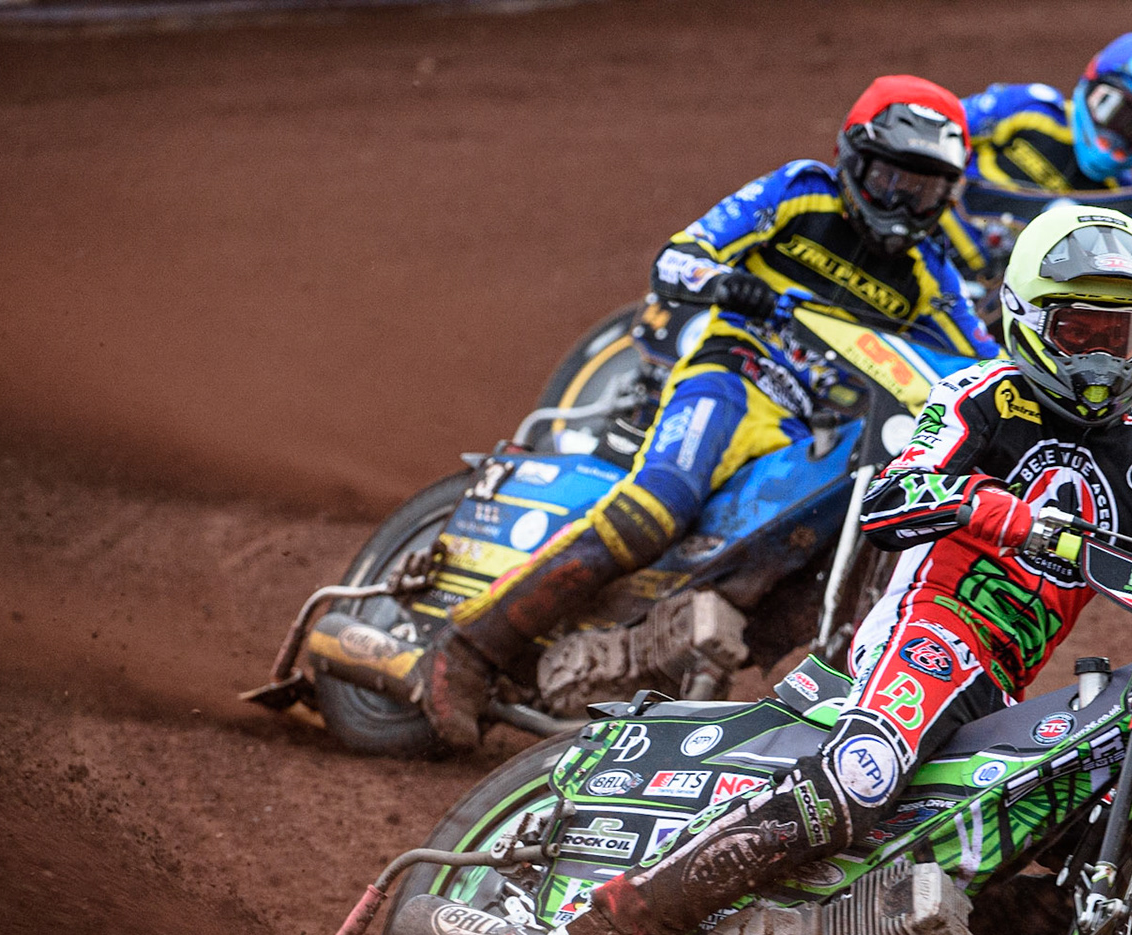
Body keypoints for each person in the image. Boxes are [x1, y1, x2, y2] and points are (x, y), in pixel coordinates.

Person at [552, 204, 1132, 935]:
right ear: (1029, 319)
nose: (1099, 359)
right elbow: (894, 501)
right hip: (925, 633)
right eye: (1078, 330)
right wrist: (984, 506)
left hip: (999, 687)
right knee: (864, 778)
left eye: (1122, 336)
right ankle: (621, 922)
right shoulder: (979, 399)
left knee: (1101, 889)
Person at [417, 74, 998, 747]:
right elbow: (683, 254)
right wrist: (724, 281)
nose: (902, 201)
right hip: (730, 377)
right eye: (891, 179)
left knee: (800, 575)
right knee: (655, 510)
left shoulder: (931, 271)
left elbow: (981, 364)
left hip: (804, 431)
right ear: (854, 159)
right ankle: (467, 648)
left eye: (922, 189)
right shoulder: (800, 192)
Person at [944, 32, 1132, 291]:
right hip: (925, 250)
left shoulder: (1128, 202)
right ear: (1091, 83)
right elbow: (939, 129)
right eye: (1116, 112)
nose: (1119, 138)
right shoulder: (1030, 110)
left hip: (990, 308)